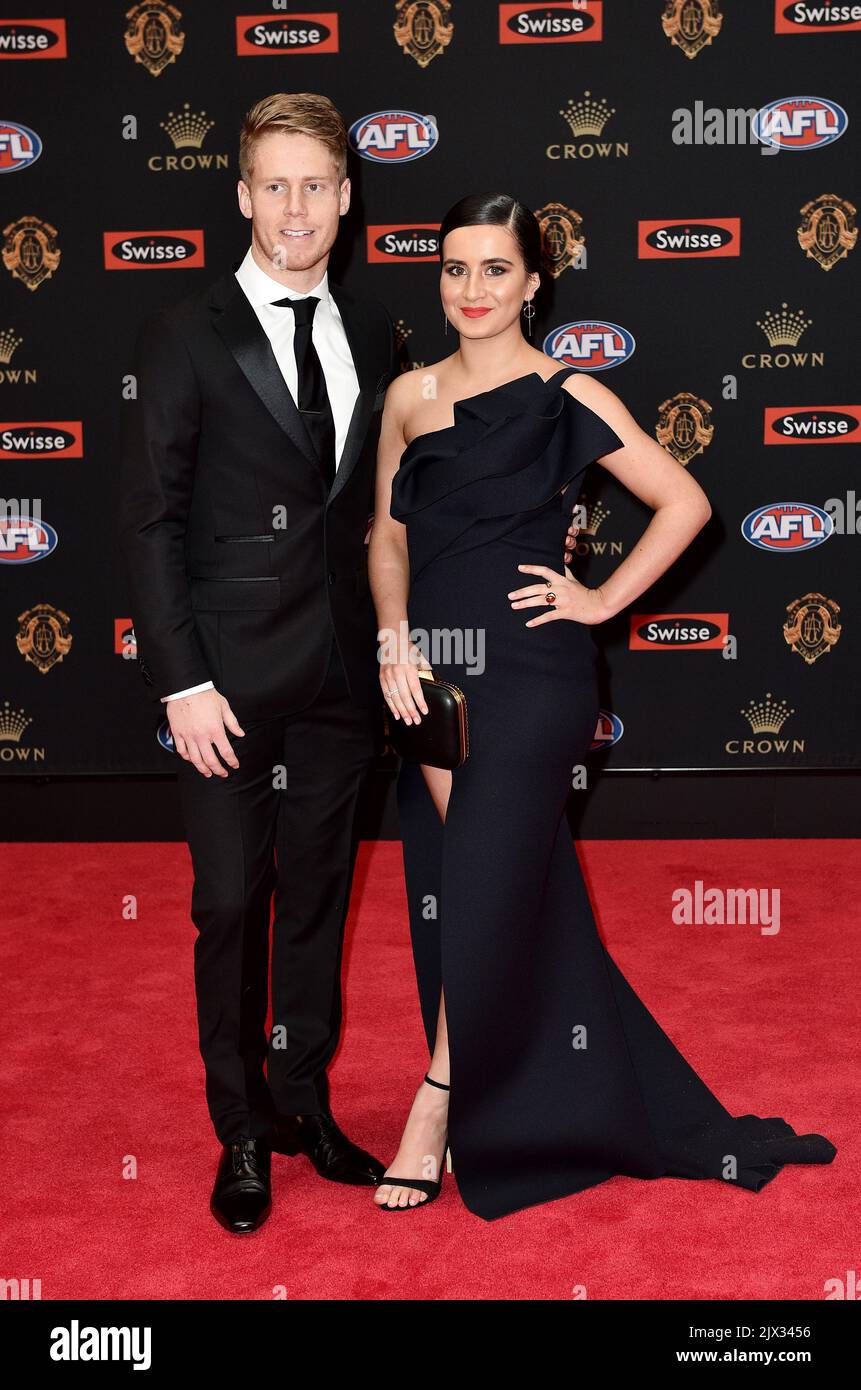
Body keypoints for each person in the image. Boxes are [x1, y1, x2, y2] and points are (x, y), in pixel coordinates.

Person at [367, 191, 837, 1218]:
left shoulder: (565, 392)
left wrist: (597, 599)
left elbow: (687, 502)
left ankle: (440, 1100)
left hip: (534, 673)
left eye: (496, 269)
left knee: (486, 884)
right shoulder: (406, 396)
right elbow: (388, 538)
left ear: (535, 281)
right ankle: (564, 1088)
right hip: (431, 670)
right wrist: (394, 636)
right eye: (455, 268)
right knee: (473, 881)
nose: (473, 289)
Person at [119, 93, 396, 1233]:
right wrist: (181, 683)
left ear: (345, 198)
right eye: (274, 185)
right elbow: (149, 522)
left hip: (337, 683)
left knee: (318, 904)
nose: (296, 209)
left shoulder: (377, 332)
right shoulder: (187, 333)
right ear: (241, 196)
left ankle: (300, 1101)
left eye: (316, 186)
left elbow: (382, 506)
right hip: (224, 688)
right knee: (232, 904)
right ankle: (238, 1128)